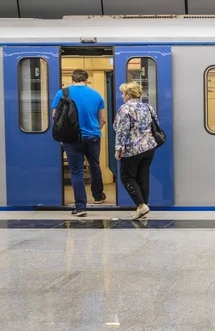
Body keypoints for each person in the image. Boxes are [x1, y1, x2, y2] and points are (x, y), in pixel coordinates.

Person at [52, 69, 106, 217]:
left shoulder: (61, 93)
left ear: (72, 79)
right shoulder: (96, 95)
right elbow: (103, 119)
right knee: (94, 166)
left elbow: (55, 118)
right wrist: (95, 131)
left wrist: (63, 136)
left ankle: (81, 207)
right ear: (87, 80)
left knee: (76, 172)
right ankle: (98, 196)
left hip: (71, 138)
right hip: (93, 137)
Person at [113, 81, 159, 220]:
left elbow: (121, 130)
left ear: (128, 94)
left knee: (126, 177)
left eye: (123, 93)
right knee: (142, 178)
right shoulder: (148, 107)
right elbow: (156, 124)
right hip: (149, 148)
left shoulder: (125, 109)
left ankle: (140, 205)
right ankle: (143, 208)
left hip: (132, 149)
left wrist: (118, 149)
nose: (122, 96)